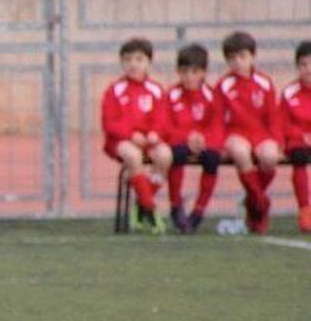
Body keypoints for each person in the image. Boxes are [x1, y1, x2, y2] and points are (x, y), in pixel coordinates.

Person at [100, 37, 170, 234]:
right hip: (121, 141)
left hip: (149, 140)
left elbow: (163, 119)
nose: (133, 64)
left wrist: (155, 134)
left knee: (165, 156)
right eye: (128, 59)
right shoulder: (115, 90)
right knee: (133, 156)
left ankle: (140, 205)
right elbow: (110, 122)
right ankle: (150, 209)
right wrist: (131, 135)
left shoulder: (156, 89)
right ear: (122, 63)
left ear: (148, 62)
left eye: (139, 59)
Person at [217, 30, 281, 234]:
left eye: (242, 56)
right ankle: (261, 204)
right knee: (241, 152)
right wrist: (219, 145)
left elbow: (273, 117)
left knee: (270, 156)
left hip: (260, 133)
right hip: (235, 133)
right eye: (232, 58)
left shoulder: (265, 82)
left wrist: (278, 142)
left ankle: (252, 202)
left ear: (252, 56)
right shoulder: (224, 85)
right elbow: (217, 120)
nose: (238, 62)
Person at [158, 43, 226, 234]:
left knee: (212, 158)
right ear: (178, 72)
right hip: (181, 142)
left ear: (203, 73)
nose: (189, 77)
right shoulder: (171, 95)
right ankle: (176, 206)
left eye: (194, 72)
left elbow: (218, 125)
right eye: (184, 71)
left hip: (205, 143)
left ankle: (199, 211)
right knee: (177, 155)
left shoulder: (212, 95)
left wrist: (205, 139)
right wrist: (186, 137)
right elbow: (165, 126)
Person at [280, 40, 311, 233]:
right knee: (298, 156)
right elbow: (283, 124)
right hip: (299, 143)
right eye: (303, 64)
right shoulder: (289, 93)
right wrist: (303, 136)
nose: (308, 69)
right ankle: (305, 210)